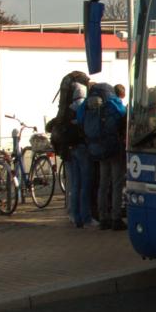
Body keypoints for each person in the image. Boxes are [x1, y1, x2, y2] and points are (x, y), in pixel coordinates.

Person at [78, 82, 128, 230]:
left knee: (103, 183)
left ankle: (103, 217)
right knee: (117, 183)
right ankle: (116, 218)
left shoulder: (87, 104)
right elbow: (124, 114)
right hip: (113, 148)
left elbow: (80, 118)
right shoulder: (113, 102)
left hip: (97, 148)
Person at [65, 76, 96, 228]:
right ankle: (86, 217)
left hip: (70, 149)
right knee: (85, 184)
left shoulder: (68, 109)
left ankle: (75, 216)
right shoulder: (84, 107)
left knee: (75, 185)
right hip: (83, 148)